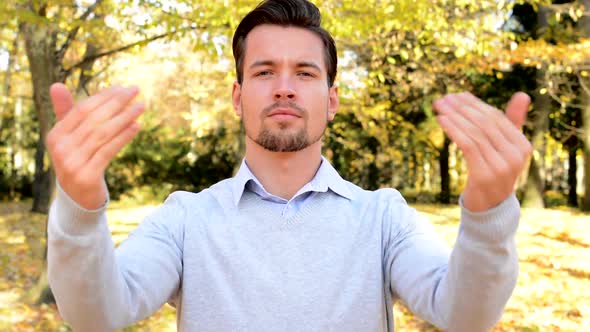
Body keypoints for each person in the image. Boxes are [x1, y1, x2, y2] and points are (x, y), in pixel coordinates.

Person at [46, 0, 533, 331]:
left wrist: (488, 214)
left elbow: (465, 315)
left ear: (332, 98)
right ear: (238, 97)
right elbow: (95, 314)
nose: (284, 87)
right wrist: (80, 207)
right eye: (264, 72)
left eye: (304, 72)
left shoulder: (385, 217)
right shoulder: (184, 218)